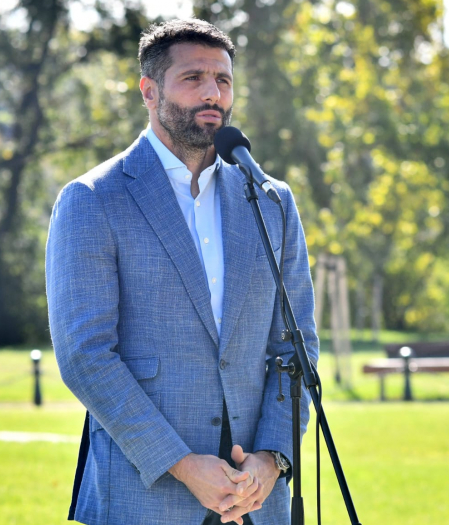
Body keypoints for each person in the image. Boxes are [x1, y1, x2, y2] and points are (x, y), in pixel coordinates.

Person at [45, 18, 318, 525]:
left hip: (257, 501)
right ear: (149, 92)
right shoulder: (92, 199)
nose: (213, 93)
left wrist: (272, 459)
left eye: (223, 80)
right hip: (144, 497)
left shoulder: (271, 200)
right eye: (193, 78)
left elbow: (296, 349)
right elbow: (86, 356)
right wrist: (185, 466)